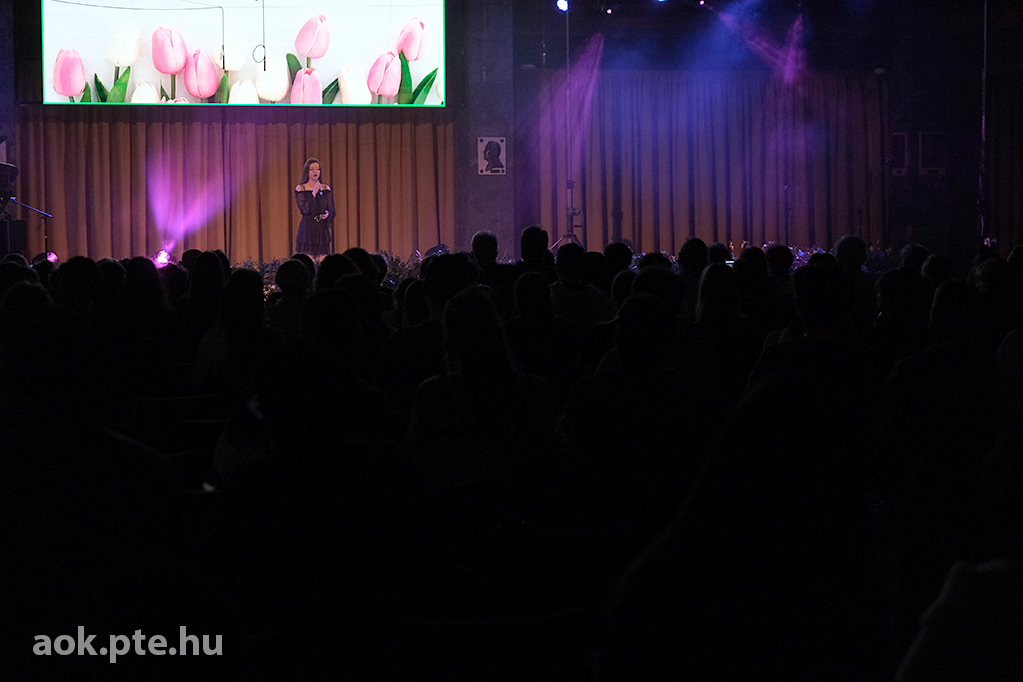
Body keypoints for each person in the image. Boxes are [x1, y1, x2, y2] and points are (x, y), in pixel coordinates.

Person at [294, 158, 336, 256]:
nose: (315, 171)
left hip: (322, 229)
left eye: (318, 169)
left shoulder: (325, 188)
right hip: (307, 229)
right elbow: (305, 209)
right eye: (312, 169)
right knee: (308, 259)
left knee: (323, 259)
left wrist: (327, 214)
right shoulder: (301, 188)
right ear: (307, 171)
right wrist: (314, 192)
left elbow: (332, 209)